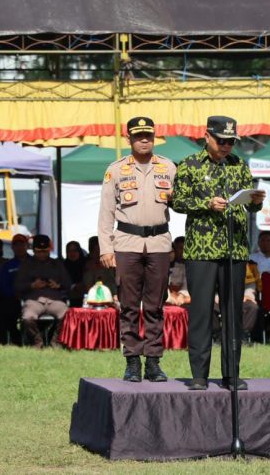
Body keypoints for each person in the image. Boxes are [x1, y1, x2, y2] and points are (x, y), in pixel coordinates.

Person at [172, 115, 265, 391]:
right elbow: (177, 201)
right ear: (207, 136)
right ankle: (199, 375)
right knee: (201, 312)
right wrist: (206, 203)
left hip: (234, 248)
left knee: (233, 313)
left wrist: (256, 201)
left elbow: (250, 205)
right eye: (221, 141)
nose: (226, 146)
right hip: (202, 249)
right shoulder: (189, 164)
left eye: (230, 142)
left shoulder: (239, 165)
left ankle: (231, 374)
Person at [98, 116, 176, 382]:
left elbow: (181, 203)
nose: (144, 140)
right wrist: (105, 248)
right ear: (129, 138)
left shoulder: (168, 167)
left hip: (159, 243)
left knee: (155, 306)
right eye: (139, 136)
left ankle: (153, 361)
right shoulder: (116, 170)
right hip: (126, 243)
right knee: (129, 306)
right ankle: (132, 361)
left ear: (154, 138)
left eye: (148, 136)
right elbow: (106, 212)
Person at [16, 234, 70, 348]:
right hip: (34, 300)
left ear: (49, 250)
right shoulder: (26, 264)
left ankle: (56, 342)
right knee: (27, 318)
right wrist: (32, 285)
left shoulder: (57, 264)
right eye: (39, 251)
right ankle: (37, 342)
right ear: (34, 250)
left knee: (67, 315)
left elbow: (68, 284)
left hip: (54, 299)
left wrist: (58, 285)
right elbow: (18, 286)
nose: (42, 254)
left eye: (45, 251)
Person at [0, 234, 30, 345]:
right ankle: (6, 339)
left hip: (33, 297)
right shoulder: (7, 266)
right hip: (13, 298)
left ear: (27, 246)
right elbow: (3, 286)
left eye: (22, 244)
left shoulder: (35, 262)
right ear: (12, 247)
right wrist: (15, 294)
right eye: (16, 245)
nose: (19, 247)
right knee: (1, 307)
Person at [82, 235, 118, 306]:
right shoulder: (89, 267)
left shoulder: (113, 264)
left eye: (100, 251)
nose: (98, 254)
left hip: (114, 297)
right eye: (95, 251)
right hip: (96, 299)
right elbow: (89, 288)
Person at [64, 240, 88, 308]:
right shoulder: (63, 266)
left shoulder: (86, 264)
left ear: (79, 251)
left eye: (75, 250)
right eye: (69, 251)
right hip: (69, 297)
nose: (72, 253)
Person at [167, 236, 190, 306]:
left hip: (182, 297)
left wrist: (181, 294)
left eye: (185, 249)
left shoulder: (188, 267)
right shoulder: (166, 266)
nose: (183, 251)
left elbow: (186, 286)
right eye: (180, 248)